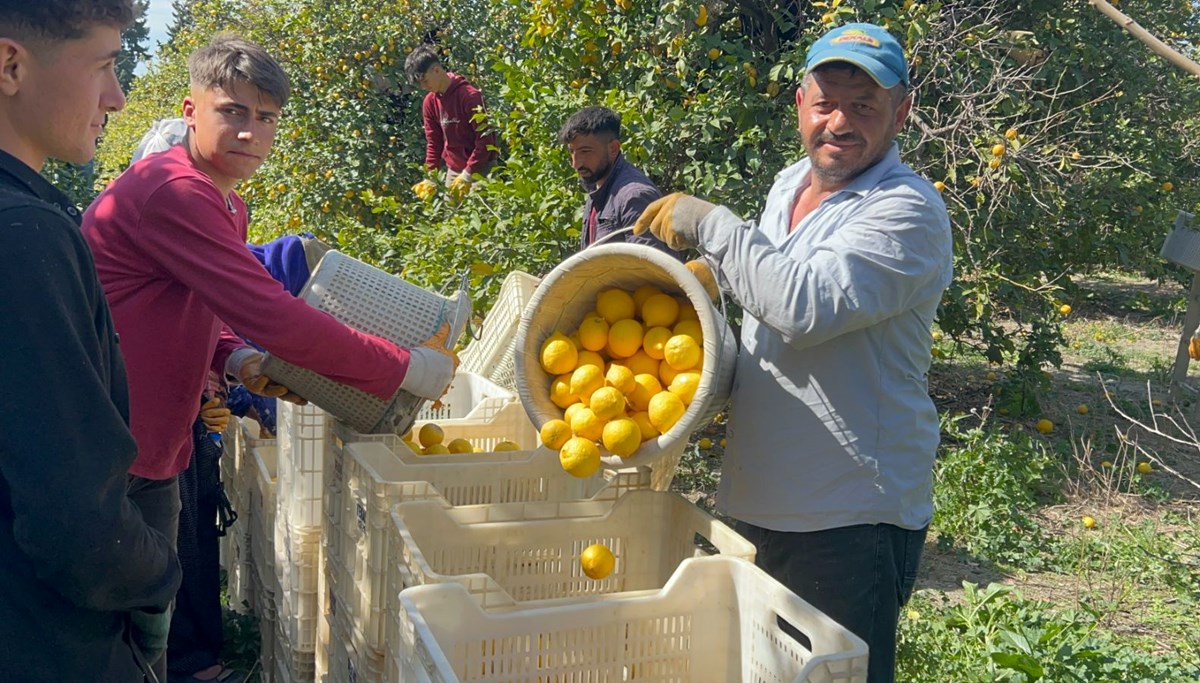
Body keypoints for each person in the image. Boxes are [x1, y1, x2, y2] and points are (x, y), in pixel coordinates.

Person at [81, 35, 457, 680]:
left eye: (267, 117)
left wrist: (237, 360)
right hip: (111, 450)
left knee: (150, 623)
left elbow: (208, 305)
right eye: (232, 111)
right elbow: (276, 315)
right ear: (190, 110)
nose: (250, 131)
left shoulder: (225, 199)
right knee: (111, 637)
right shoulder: (173, 190)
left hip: (155, 444)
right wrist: (406, 367)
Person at [635, 23, 953, 683]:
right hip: (759, 494)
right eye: (825, 102)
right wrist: (708, 281)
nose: (839, 122)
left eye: (864, 106)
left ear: (903, 111)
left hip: (846, 513)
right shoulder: (789, 184)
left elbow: (803, 307)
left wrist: (711, 224)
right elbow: (768, 280)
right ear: (799, 104)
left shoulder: (908, 212)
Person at [0, 2, 183, 682]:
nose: (118, 95)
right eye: (104, 65)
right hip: (47, 643)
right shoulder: (26, 238)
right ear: (11, 65)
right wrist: (159, 572)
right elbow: (78, 525)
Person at [557, 106, 678, 256]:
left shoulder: (634, 196)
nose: (576, 163)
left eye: (585, 151)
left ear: (613, 149)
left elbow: (650, 273)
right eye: (572, 152)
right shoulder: (597, 186)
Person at [404, 44, 496, 196]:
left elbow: (486, 141)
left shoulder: (470, 96)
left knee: (482, 215)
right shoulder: (430, 102)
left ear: (437, 70)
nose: (423, 86)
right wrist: (430, 178)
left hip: (482, 168)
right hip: (454, 170)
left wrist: (467, 175)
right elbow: (434, 142)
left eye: (425, 80)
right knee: (452, 216)